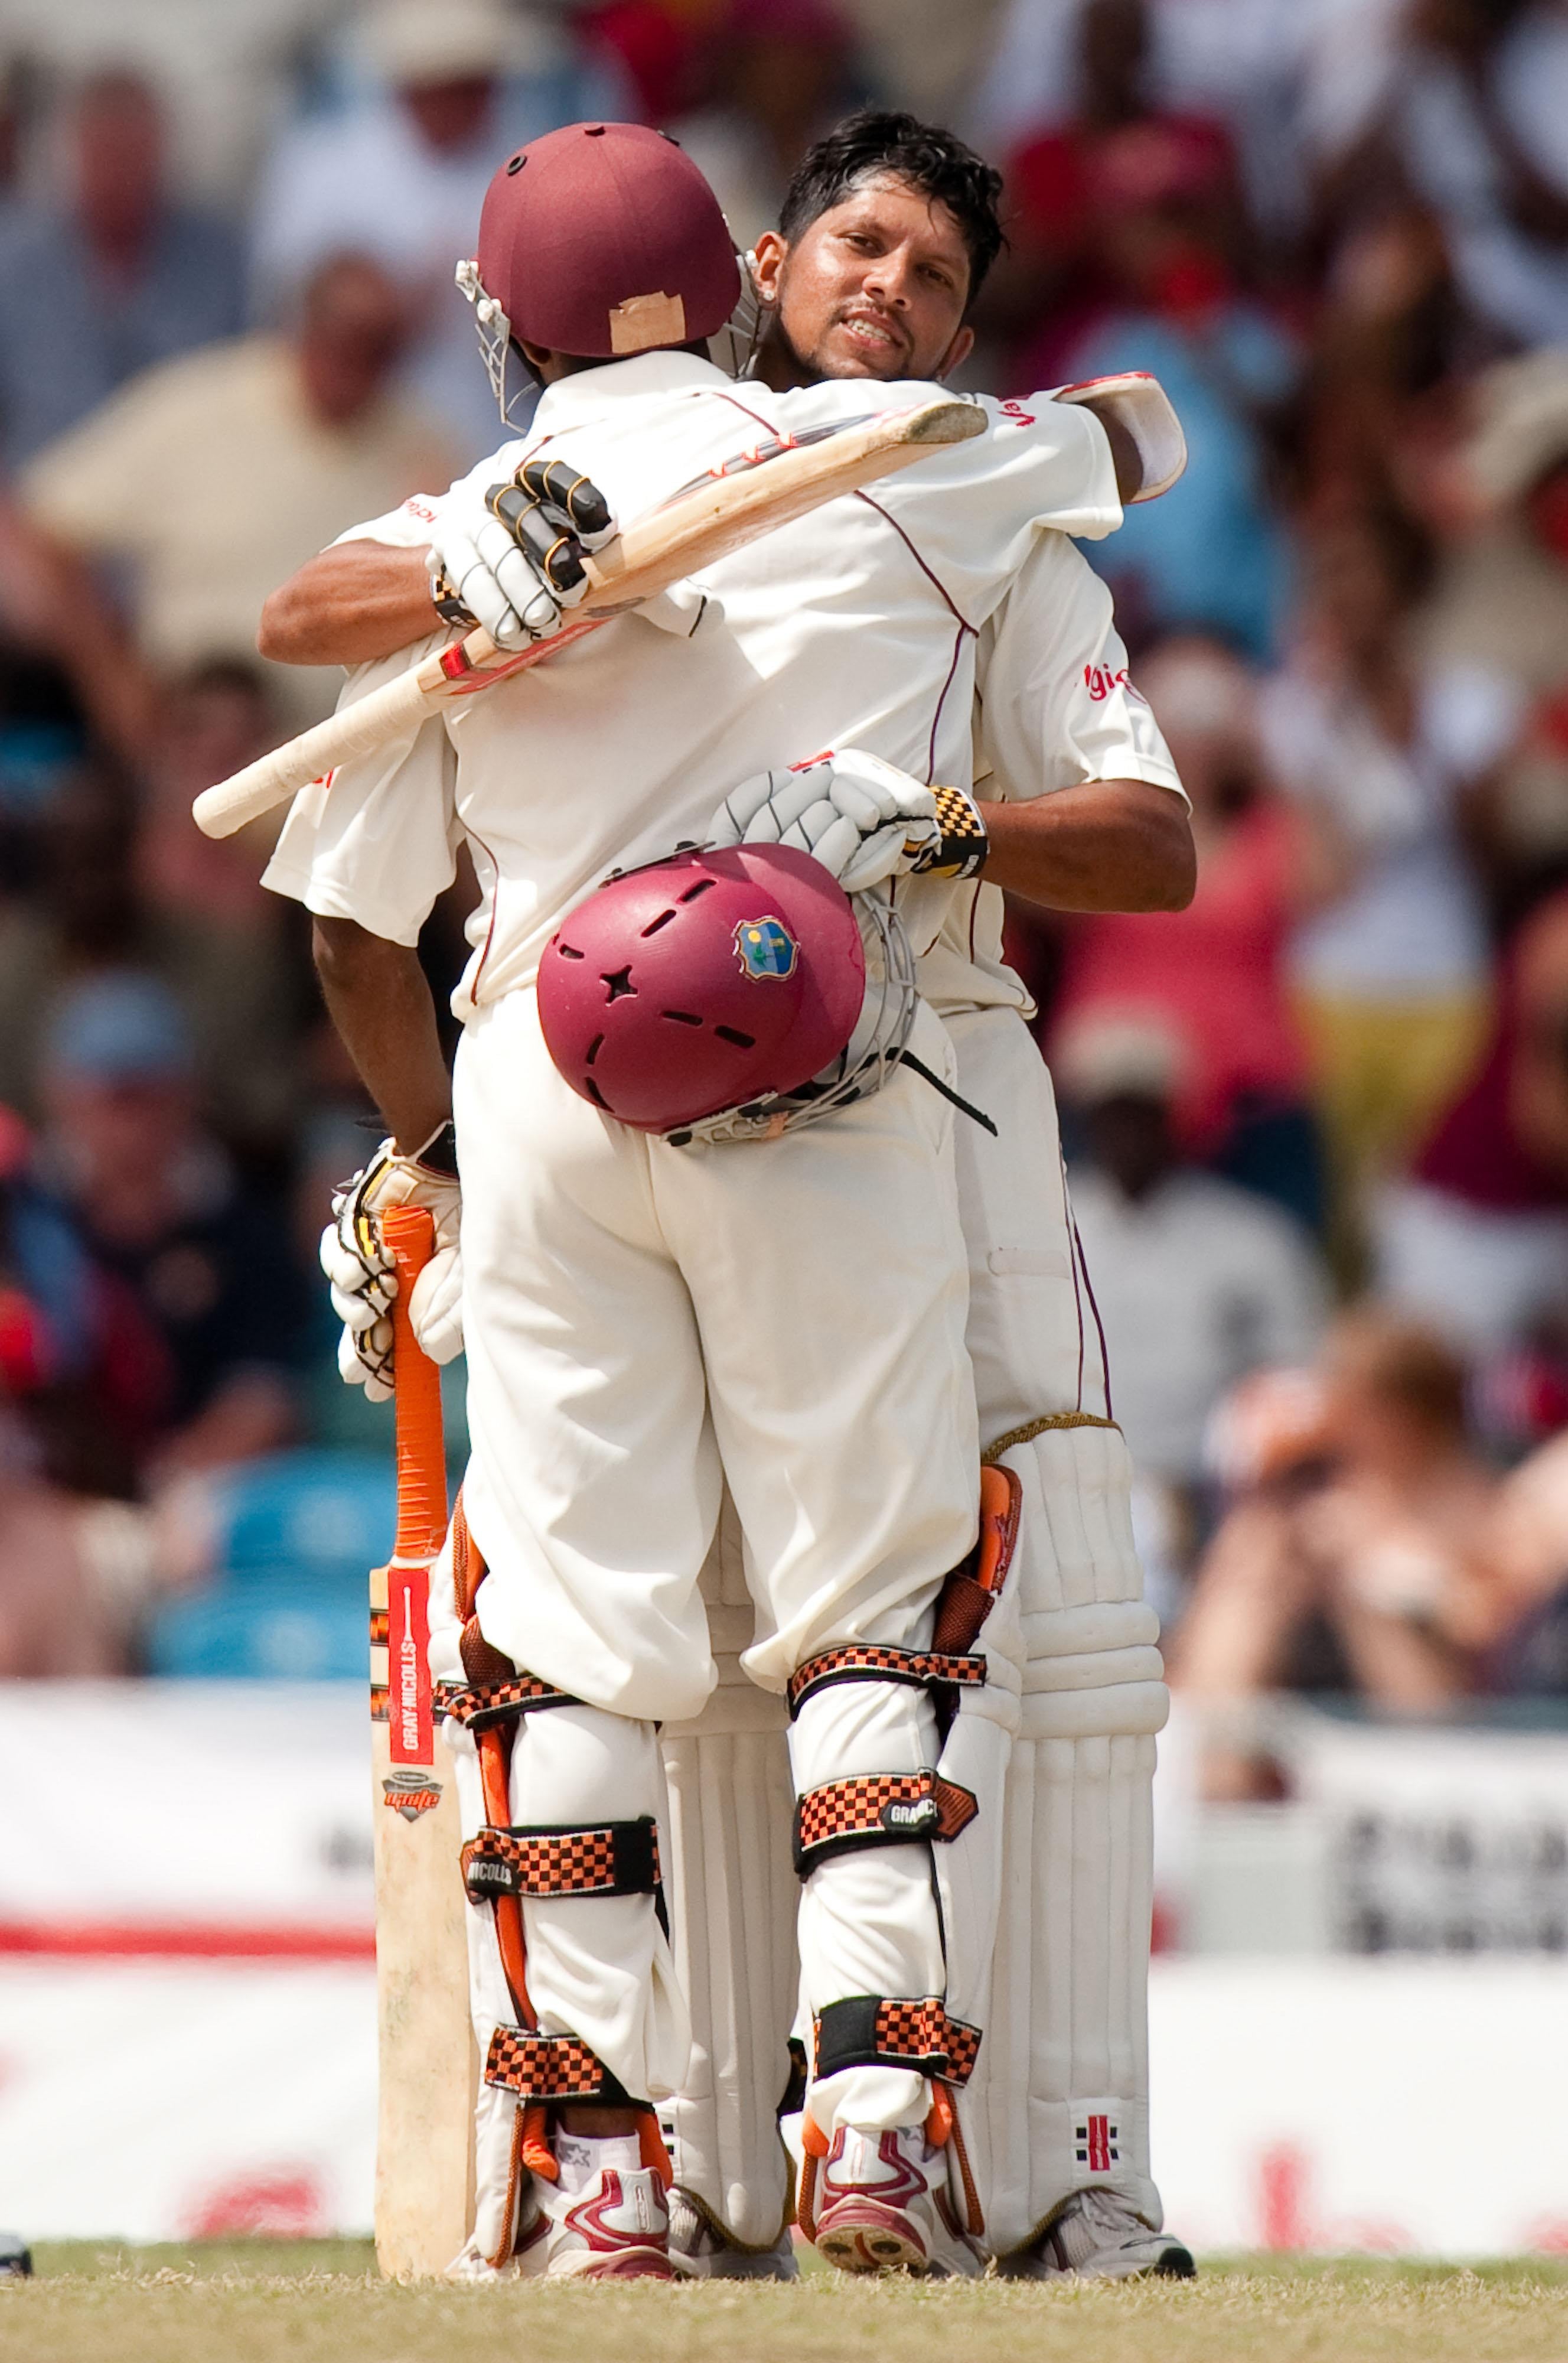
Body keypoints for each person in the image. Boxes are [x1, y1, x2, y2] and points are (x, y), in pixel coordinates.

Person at [260, 108, 1198, 2283]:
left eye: (928, 264)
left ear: (506, 321)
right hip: (815, 1071)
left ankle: (604, 2181)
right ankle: (869, 2119)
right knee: (876, 1605)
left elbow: (318, 792)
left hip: (543, 1088)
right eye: (855, 245)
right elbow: (1127, 436)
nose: (887, 288)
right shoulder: (914, 471)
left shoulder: (500, 508)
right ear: (754, 260)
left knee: (573, 1636)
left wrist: (430, 1159)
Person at [14, 254, 460, 732]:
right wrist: (111, 679)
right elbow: (36, 525)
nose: (354, 361)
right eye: (342, 337)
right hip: (182, 730)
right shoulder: (197, 409)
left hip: (329, 749)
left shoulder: (425, 451)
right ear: (302, 327)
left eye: (376, 346)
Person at [251, 0, 630, 463]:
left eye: (480, 82)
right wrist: (378, 310)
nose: (474, 99)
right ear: (411, 84)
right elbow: (283, 308)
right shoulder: (326, 167)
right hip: (365, 444)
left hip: (510, 433)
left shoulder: (530, 156)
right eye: (455, 84)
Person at [1058, 1014, 1326, 1490]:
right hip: (1067, 1480)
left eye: (1141, 1114)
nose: (1127, 1134)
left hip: (1203, 1487)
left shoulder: (1250, 1235)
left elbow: (1295, 1375)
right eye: (1111, 1116)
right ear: (1087, 1121)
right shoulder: (1046, 1226)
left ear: (1173, 1117)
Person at [0, 70, 243, 473]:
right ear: (74, 155)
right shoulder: (16, 257)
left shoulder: (219, 257)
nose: (120, 178)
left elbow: (240, 393)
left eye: (133, 158)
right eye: (105, 157)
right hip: (39, 499)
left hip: (177, 495)